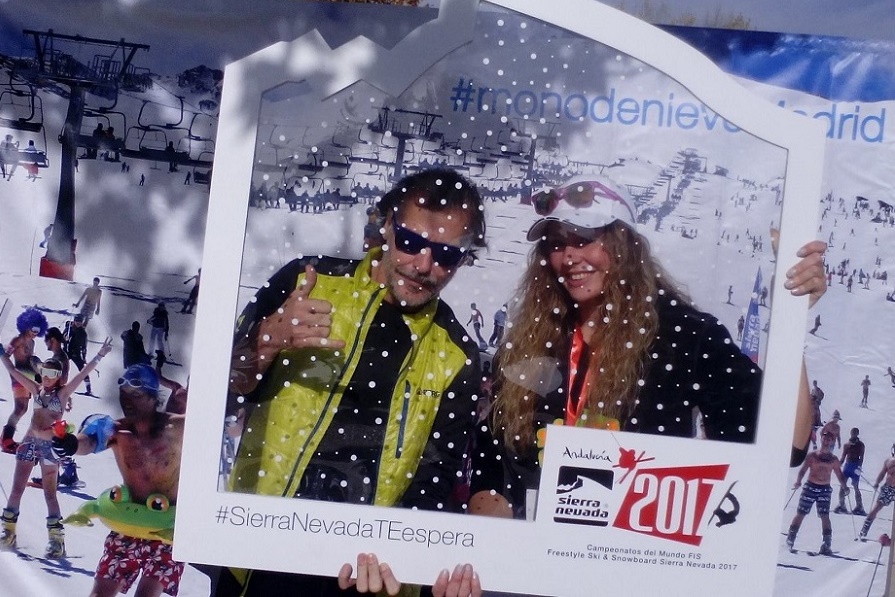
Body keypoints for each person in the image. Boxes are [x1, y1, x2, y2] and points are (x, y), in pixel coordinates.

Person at [471, 175, 827, 519]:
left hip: (630, 559)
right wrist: (486, 499)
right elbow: (495, 444)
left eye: (584, 238)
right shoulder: (535, 333)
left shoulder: (683, 335)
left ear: (623, 245)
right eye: (557, 243)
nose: (568, 257)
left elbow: (786, 445)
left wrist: (791, 316)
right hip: (530, 559)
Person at [218, 169, 486, 596]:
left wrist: (399, 564)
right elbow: (220, 396)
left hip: (369, 576)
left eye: (446, 255)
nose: (424, 265)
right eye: (412, 242)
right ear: (386, 224)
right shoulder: (306, 282)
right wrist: (267, 339)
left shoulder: (456, 355)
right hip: (261, 556)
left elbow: (433, 486)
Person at [53, 364, 186, 596]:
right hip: (127, 523)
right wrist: (71, 444)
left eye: (136, 394)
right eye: (124, 393)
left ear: (153, 397)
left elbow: (216, 427)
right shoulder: (116, 431)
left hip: (164, 528)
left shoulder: (178, 428)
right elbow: (89, 442)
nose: (127, 400)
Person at [0, 337, 111, 557]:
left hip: (50, 447)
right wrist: (3, 353)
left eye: (53, 375)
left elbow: (81, 375)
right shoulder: (36, 388)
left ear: (59, 377)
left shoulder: (61, 394)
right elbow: (12, 370)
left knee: (50, 494)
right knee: (16, 489)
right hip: (30, 443)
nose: (48, 378)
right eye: (45, 373)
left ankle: (56, 540)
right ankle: (8, 531)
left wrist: (100, 355)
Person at [785, 428, 846, 554]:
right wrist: (798, 481)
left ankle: (826, 543)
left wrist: (844, 486)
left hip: (825, 488)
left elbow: (839, 474)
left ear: (832, 441)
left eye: (829, 439)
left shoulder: (833, 459)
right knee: (801, 512)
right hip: (811, 486)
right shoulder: (812, 455)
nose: (826, 440)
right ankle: (791, 538)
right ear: (821, 439)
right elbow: (803, 469)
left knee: (825, 516)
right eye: (825, 437)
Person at [2, 308, 48, 454]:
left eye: (38, 329)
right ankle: (6, 440)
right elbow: (6, 355)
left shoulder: (32, 343)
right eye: (33, 328)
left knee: (24, 408)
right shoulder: (18, 340)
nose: (35, 332)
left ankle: (6, 437)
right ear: (26, 326)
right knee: (20, 408)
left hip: (30, 377)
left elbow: (30, 361)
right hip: (19, 376)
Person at [859, 446, 895, 540]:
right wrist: (877, 483)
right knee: (876, 508)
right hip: (888, 488)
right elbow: (882, 473)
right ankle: (864, 530)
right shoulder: (889, 461)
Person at [834, 427, 865, 515]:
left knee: (855, 487)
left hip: (855, 466)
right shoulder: (847, 445)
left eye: (855, 433)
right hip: (847, 466)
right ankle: (842, 505)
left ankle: (859, 506)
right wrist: (838, 464)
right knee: (843, 485)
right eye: (852, 432)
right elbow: (843, 456)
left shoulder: (861, 445)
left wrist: (859, 467)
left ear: (857, 434)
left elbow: (861, 457)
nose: (853, 434)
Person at [64, 314, 93, 396]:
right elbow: (62, 338)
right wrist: (65, 338)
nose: (78, 323)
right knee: (59, 367)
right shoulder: (69, 328)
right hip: (66, 351)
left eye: (79, 322)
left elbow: (84, 346)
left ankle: (88, 389)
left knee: (83, 370)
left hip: (75, 353)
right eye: (76, 321)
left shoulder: (82, 333)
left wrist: (84, 357)